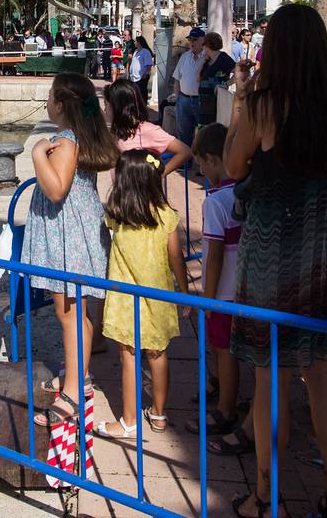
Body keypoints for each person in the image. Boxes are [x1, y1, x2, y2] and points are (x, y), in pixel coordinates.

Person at [224, 3, 327, 518]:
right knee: (323, 372)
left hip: (274, 256)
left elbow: (235, 166)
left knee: (271, 376)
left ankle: (265, 495)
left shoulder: (266, 105)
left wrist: (243, 101)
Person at [24, 73, 121, 427]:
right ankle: (78, 377)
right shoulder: (83, 136)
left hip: (69, 237)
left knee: (69, 315)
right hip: (77, 232)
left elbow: (56, 189)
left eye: (49, 96)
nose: (47, 101)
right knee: (77, 313)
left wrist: (37, 154)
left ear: (61, 105)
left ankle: (73, 392)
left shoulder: (65, 141)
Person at [94, 150, 190, 438]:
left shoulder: (116, 213)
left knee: (129, 357)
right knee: (158, 355)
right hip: (158, 297)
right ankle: (159, 414)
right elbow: (176, 258)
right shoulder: (166, 216)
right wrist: (184, 292)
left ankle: (128, 420)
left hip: (125, 299)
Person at [193, 123, 246, 443]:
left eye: (200, 164)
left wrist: (207, 298)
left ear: (212, 159)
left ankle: (226, 409)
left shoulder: (215, 201)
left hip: (222, 293)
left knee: (223, 350)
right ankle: (226, 393)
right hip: (242, 288)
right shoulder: (242, 191)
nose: (199, 170)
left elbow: (212, 257)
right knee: (228, 349)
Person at [104, 78, 190, 175]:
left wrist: (158, 176)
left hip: (143, 190)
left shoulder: (147, 130)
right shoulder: (117, 131)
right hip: (122, 189)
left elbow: (184, 151)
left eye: (106, 104)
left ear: (118, 108)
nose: (104, 109)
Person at [172, 27, 208, 147]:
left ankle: (200, 163)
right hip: (184, 99)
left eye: (195, 39)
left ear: (203, 40)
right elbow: (177, 79)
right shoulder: (185, 57)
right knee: (183, 132)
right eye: (190, 39)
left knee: (202, 134)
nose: (192, 42)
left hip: (200, 101)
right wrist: (178, 99)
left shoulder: (207, 58)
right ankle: (185, 161)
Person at [198, 31, 236, 124]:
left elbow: (237, 73)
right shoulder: (207, 60)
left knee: (212, 125)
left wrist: (225, 84)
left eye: (204, 44)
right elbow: (198, 79)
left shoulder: (223, 58)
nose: (203, 47)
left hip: (216, 100)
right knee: (202, 125)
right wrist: (203, 63)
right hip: (204, 101)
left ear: (208, 45)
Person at [128, 36, 154, 104]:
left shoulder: (145, 52)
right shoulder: (135, 51)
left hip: (142, 77)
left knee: (142, 94)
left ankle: (143, 108)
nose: (134, 43)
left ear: (139, 42)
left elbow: (149, 64)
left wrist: (146, 73)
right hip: (134, 77)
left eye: (135, 41)